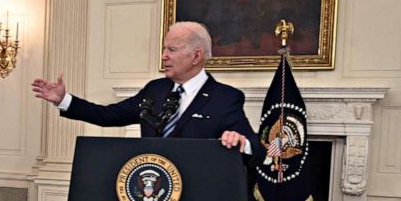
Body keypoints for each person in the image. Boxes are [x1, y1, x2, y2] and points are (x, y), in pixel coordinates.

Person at [31, 21, 258, 156]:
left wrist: (240, 141)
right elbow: (108, 115)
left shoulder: (226, 97)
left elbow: (253, 145)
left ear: (196, 56)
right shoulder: (155, 90)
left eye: (172, 49)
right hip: (152, 187)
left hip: (198, 195)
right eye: (163, 49)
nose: (164, 56)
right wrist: (64, 100)